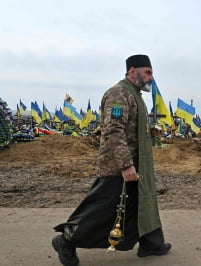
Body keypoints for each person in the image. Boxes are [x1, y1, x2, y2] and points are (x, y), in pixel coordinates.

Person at [52, 54, 171, 266]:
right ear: (133, 71)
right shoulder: (119, 93)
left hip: (137, 163)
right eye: (148, 72)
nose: (151, 78)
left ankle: (151, 243)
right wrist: (125, 165)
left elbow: (130, 128)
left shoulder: (134, 94)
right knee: (102, 209)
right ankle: (66, 240)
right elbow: (113, 130)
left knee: (142, 203)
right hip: (117, 166)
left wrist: (150, 132)